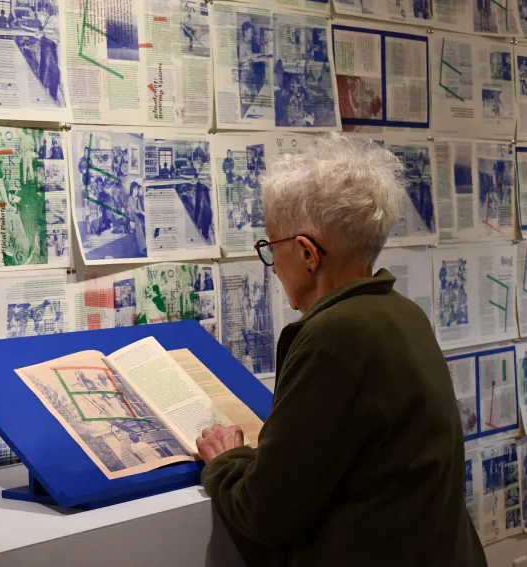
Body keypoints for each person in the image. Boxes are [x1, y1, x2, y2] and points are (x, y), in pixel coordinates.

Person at [196, 133, 487, 567]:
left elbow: (266, 511)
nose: (273, 267)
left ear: (308, 253)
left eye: (272, 248)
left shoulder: (334, 338)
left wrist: (226, 460)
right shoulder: (402, 314)